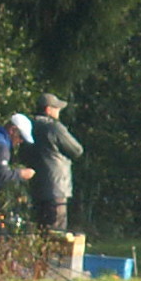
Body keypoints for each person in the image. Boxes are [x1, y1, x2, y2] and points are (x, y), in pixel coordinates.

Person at [28, 94, 85, 232]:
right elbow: (77, 150)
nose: (58, 111)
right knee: (56, 231)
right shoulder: (54, 127)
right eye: (56, 108)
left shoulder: (29, 127)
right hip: (56, 187)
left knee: (40, 230)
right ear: (48, 109)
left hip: (35, 187)